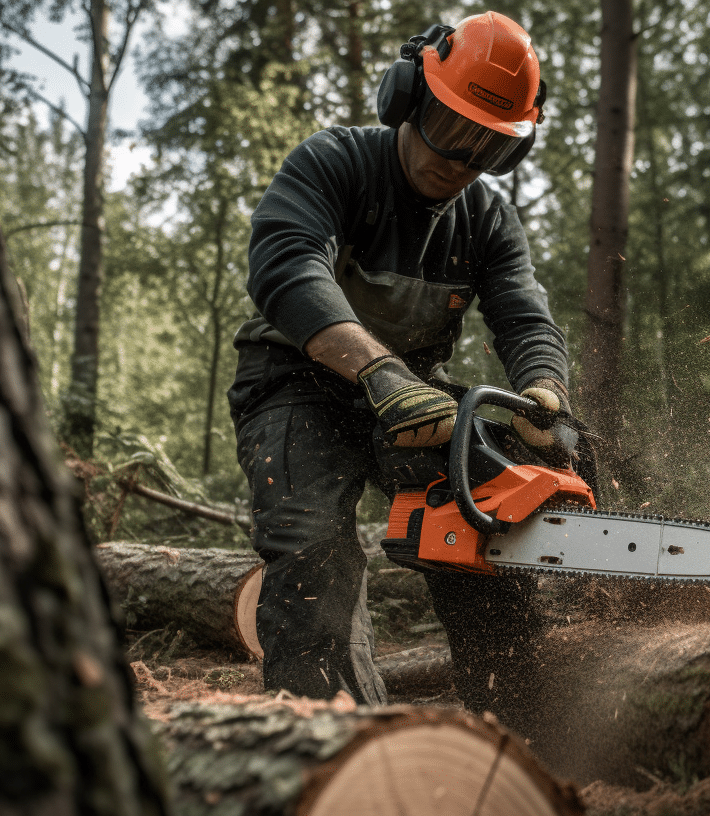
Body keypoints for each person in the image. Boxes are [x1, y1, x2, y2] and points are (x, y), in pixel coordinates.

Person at [228, 11, 574, 712]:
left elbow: (522, 314)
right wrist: (378, 372)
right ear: (407, 97)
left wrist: (543, 393)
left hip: (414, 400)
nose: (460, 160)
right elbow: (286, 266)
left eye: (489, 149)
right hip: (294, 383)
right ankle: (332, 740)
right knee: (310, 549)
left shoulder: (487, 219)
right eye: (452, 132)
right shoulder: (334, 163)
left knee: (489, 518)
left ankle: (522, 722)